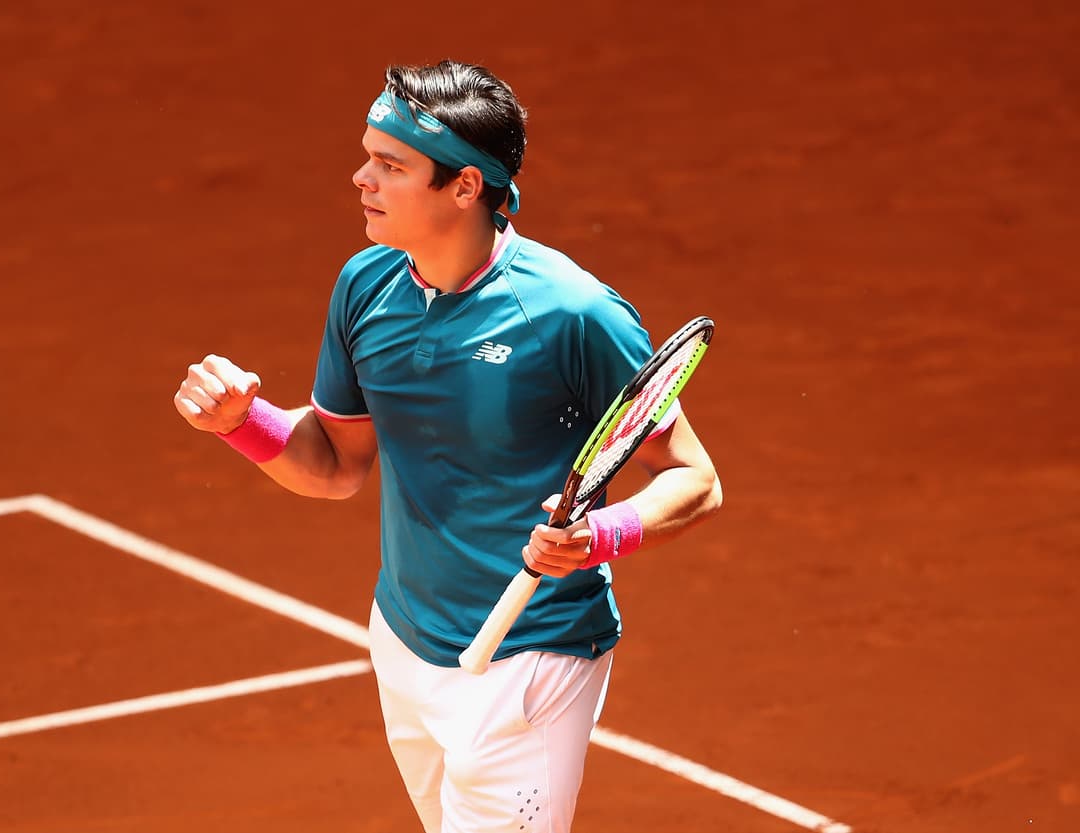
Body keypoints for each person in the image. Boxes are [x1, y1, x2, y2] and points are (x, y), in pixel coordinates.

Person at [174, 60, 722, 833]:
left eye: (390, 165)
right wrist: (242, 421)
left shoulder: (573, 314)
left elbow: (695, 478)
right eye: (368, 155)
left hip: (530, 660)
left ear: (465, 186)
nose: (360, 177)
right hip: (403, 639)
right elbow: (335, 465)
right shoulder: (365, 286)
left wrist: (599, 535)